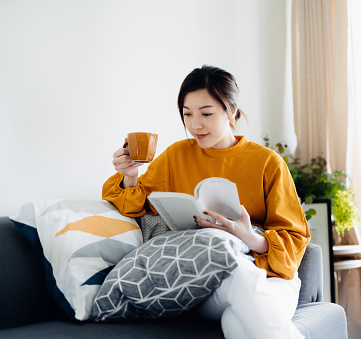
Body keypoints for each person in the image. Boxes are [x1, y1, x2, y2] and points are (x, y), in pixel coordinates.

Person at [102, 65, 310, 339]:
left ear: (232, 112)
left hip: (271, 276)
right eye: (187, 114)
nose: (194, 125)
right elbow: (134, 204)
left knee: (236, 323)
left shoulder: (267, 163)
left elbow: (295, 239)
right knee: (240, 279)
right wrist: (130, 176)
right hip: (208, 278)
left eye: (206, 114)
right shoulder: (176, 156)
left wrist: (250, 238)